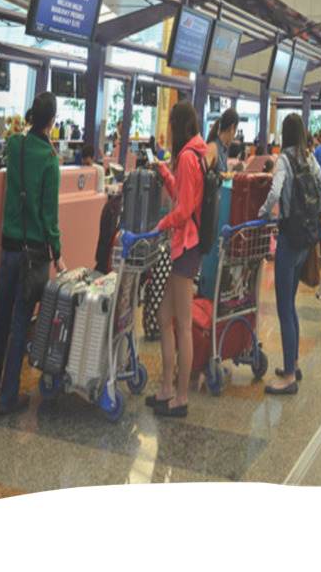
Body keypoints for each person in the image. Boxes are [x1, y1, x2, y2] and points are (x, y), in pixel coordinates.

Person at [0, 92, 66, 414]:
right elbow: (49, 215)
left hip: (8, 246)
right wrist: (57, 251)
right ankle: (7, 398)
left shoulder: (15, 145)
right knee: (21, 323)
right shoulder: (49, 159)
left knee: (0, 318)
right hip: (34, 253)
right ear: (51, 121)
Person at [258, 113, 321, 393]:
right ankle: (294, 363)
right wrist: (312, 213)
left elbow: (275, 193)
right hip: (306, 240)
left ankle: (288, 376)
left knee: (284, 308)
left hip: (289, 239)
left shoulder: (285, 159)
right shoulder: (308, 157)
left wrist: (263, 212)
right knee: (291, 305)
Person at [144, 101, 207, 418]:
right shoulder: (195, 155)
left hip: (185, 247)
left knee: (182, 325)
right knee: (163, 317)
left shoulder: (187, 157)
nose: (167, 132)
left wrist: (160, 225)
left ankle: (180, 397)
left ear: (178, 126)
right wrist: (163, 171)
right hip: (186, 246)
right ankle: (168, 388)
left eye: (169, 125)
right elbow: (186, 199)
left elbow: (182, 212)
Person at [205, 107, 239, 176]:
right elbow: (202, 173)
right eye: (235, 131)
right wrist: (224, 175)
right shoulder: (213, 147)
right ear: (232, 128)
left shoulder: (224, 149)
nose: (234, 137)